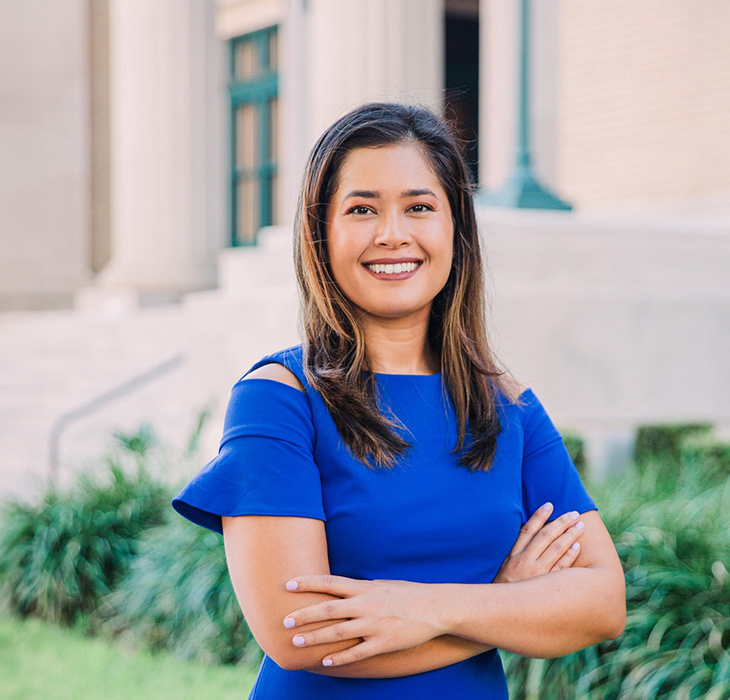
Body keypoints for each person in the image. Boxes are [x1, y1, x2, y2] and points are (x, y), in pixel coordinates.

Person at [172, 102, 625, 699]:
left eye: (419, 207)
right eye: (362, 209)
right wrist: (505, 604)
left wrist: (425, 609)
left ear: (455, 230)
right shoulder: (279, 400)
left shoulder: (507, 405)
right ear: (321, 235)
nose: (393, 233)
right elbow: (301, 638)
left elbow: (601, 603)